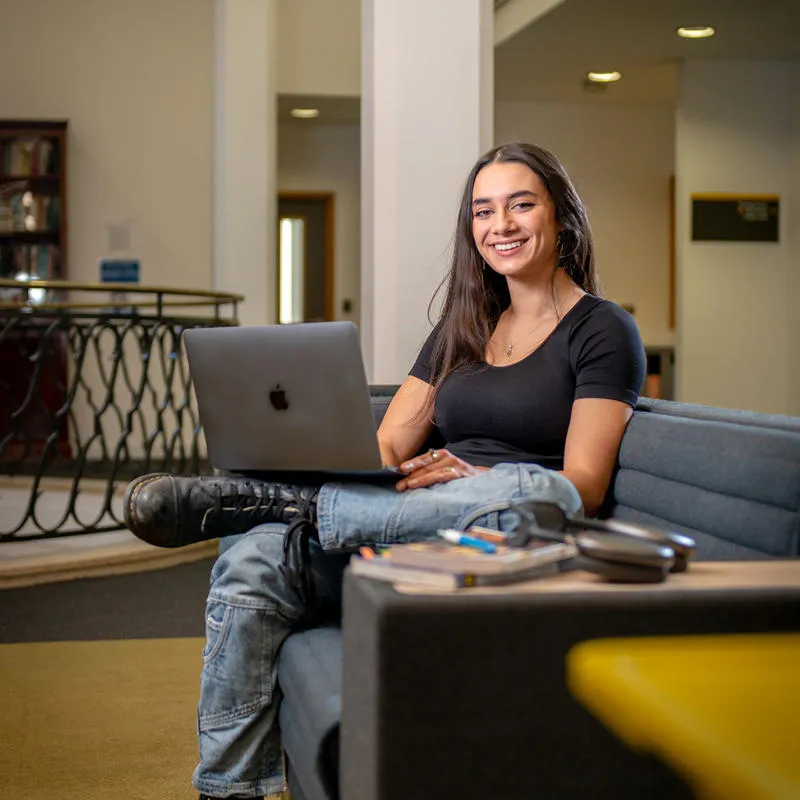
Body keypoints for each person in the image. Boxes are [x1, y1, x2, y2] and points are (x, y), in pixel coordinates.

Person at [124, 141, 646, 800]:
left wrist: (473, 481)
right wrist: (351, 470)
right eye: (484, 211)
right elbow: (389, 445)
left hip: (503, 534)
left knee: (538, 491)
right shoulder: (463, 325)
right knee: (254, 553)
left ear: (562, 218)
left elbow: (584, 487)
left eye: (521, 205)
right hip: (401, 531)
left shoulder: (603, 330)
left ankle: (286, 503)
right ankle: (231, 790)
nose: (501, 225)